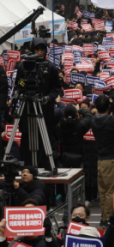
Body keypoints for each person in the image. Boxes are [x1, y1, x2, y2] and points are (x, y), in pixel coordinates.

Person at [14, 38, 61, 168]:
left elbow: (56, 89)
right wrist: (21, 88)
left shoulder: (50, 66)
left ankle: (45, 166)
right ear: (32, 50)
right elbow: (20, 83)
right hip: (27, 109)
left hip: (44, 111)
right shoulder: (24, 66)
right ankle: (26, 168)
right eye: (37, 49)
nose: (39, 52)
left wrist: (47, 98)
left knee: (44, 139)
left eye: (42, 49)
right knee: (26, 139)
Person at [90, 93, 114, 226]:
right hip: (112, 161)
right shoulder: (112, 121)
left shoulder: (93, 120)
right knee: (111, 192)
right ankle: (107, 220)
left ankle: (104, 216)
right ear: (109, 107)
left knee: (103, 192)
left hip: (100, 161)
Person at [59, 103, 92, 168]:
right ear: (77, 115)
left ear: (64, 115)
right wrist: (79, 109)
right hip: (79, 158)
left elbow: (57, 112)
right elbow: (89, 116)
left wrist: (60, 104)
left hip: (64, 159)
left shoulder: (60, 126)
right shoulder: (80, 125)